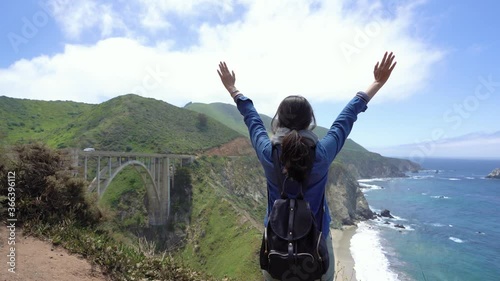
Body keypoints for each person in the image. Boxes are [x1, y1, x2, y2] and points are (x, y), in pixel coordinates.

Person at [217, 52, 396, 281]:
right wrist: (377, 83)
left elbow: (251, 118)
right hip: (316, 249)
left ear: (278, 120)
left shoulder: (268, 152)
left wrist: (233, 89)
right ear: (309, 120)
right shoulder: (321, 153)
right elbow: (347, 117)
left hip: (275, 251)